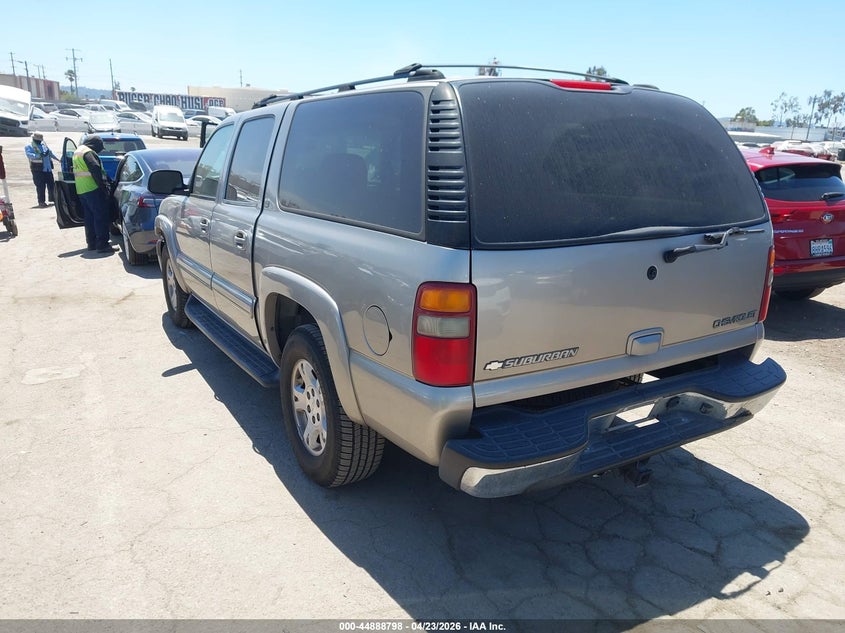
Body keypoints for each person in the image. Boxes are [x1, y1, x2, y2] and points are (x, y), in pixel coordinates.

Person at [72, 135, 115, 254]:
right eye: (100, 147)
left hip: (82, 189)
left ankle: (92, 243)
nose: (100, 150)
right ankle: (102, 245)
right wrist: (103, 186)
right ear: (94, 144)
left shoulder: (78, 151)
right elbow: (95, 168)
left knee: (89, 218)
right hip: (93, 188)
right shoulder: (88, 152)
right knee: (100, 217)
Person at [24, 132, 60, 208]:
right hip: (37, 169)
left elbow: (50, 153)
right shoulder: (29, 146)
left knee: (51, 185)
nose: (40, 141)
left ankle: (53, 199)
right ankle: (41, 202)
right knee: (40, 186)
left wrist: (58, 159)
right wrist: (39, 155)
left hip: (47, 169)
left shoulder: (44, 145)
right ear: (34, 139)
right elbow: (29, 155)